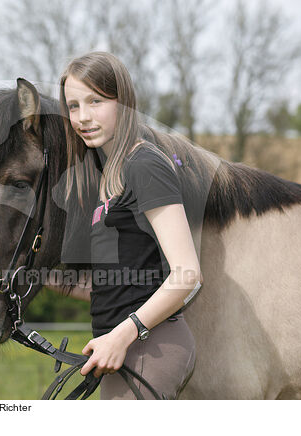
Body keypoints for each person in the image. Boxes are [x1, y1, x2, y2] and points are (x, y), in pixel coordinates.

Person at [46, 51, 203, 400]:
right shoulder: (106, 177)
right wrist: (43, 277)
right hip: (124, 351)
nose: (83, 117)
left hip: (151, 348)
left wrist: (123, 334)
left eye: (95, 101)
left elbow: (188, 273)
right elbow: (122, 284)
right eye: (73, 106)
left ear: (124, 102)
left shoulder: (144, 165)